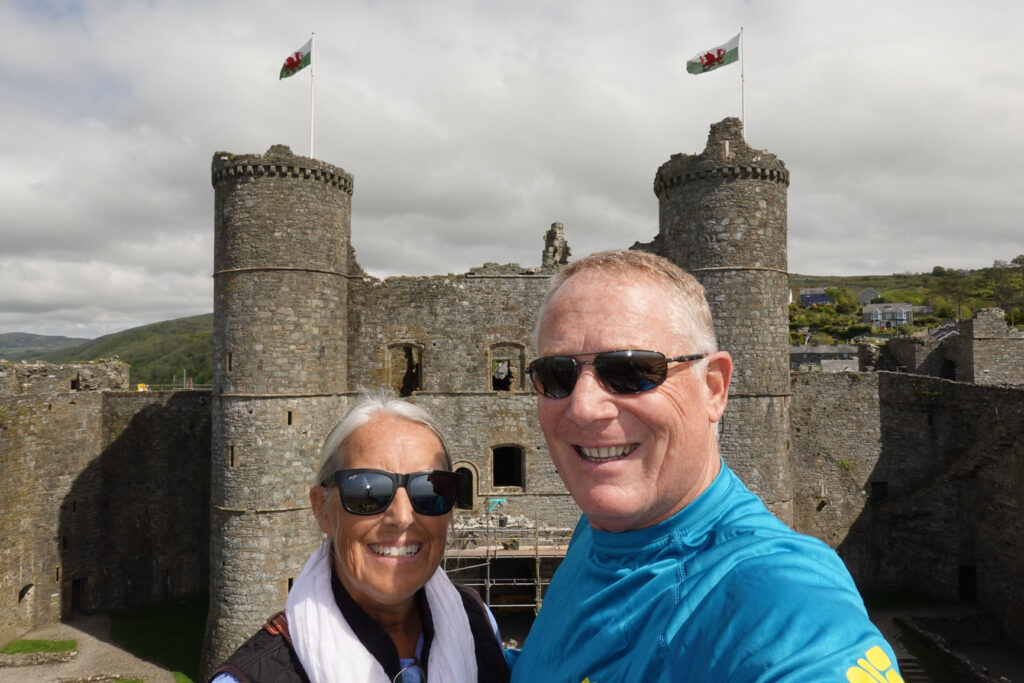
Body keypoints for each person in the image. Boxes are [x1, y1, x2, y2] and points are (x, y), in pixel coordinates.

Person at [506, 250, 904, 682]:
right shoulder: (602, 530)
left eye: (631, 370)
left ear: (713, 387)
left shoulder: (777, 594)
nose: (583, 408)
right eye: (556, 375)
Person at [210, 389, 509, 683]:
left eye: (430, 490)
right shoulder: (253, 676)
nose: (402, 518)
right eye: (368, 491)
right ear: (322, 509)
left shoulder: (478, 621)